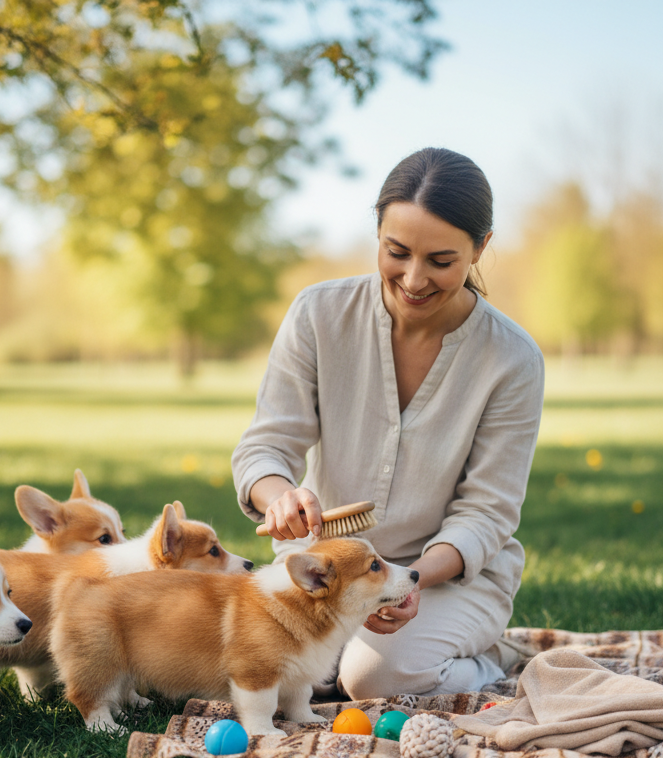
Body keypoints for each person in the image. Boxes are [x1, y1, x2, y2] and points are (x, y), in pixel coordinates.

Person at [231, 147, 544, 699]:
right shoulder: (317, 314)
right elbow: (266, 446)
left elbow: (486, 512)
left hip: (444, 577)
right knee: (259, 668)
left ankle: (489, 659)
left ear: (481, 248)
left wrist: (410, 581)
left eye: (441, 262)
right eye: (396, 251)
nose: (414, 279)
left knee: (372, 678)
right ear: (377, 230)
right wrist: (278, 494)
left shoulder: (513, 360)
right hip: (324, 573)